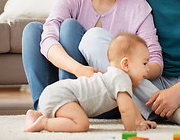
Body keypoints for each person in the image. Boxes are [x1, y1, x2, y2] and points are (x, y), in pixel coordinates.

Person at [22, 0, 163, 115]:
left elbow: (156, 62)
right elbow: (47, 40)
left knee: (69, 27)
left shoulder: (137, 6)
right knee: (33, 31)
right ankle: (44, 109)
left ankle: (68, 108)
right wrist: (79, 69)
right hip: (75, 83)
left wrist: (130, 71)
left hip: (108, 96)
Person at [24, 33, 157, 132]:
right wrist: (132, 130)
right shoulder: (122, 78)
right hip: (63, 95)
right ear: (126, 64)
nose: (148, 68)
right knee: (81, 124)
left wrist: (141, 122)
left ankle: (36, 114)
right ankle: (44, 123)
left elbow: (130, 104)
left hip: (56, 92)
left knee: (72, 115)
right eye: (144, 63)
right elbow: (126, 109)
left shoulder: (114, 77)